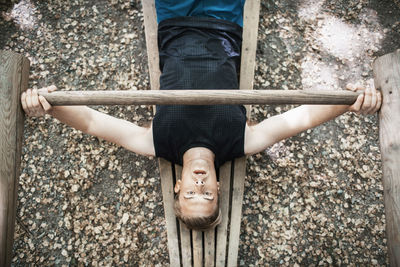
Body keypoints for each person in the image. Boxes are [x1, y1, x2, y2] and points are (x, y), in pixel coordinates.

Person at [21, 1, 382, 231]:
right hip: (225, 20)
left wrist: (48, 106)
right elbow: (300, 118)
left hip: (174, 20)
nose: (198, 186)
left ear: (177, 188)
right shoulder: (242, 141)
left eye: (189, 193)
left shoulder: (156, 143)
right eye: (206, 195)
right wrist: (351, 102)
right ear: (218, 188)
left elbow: (92, 122)